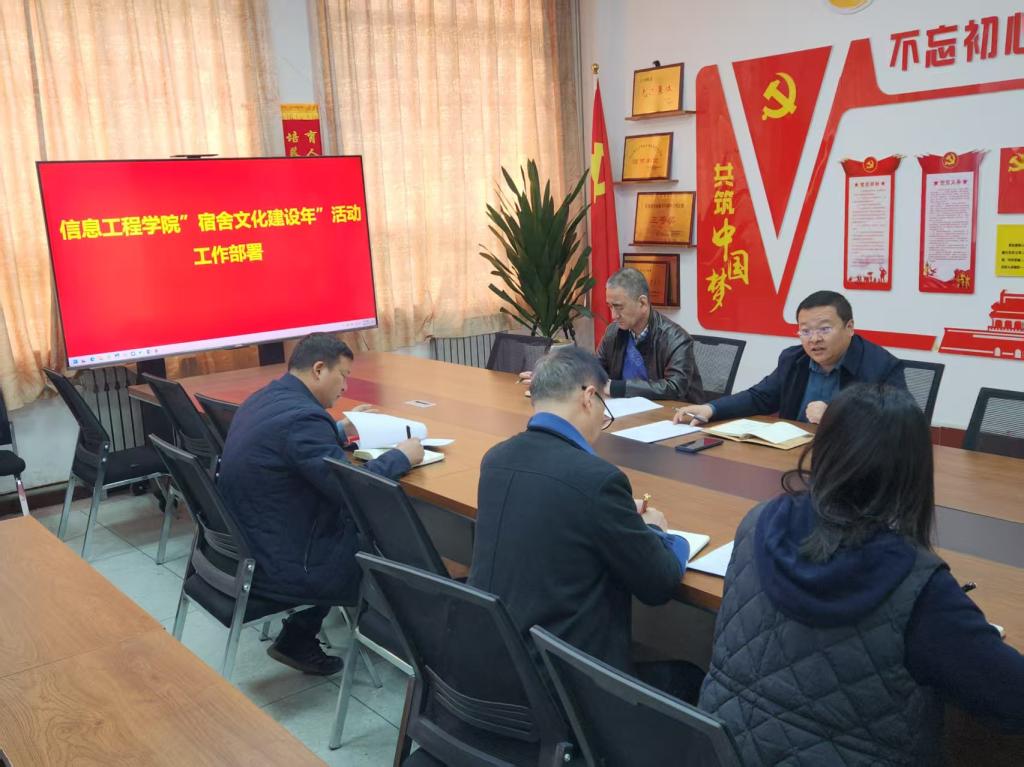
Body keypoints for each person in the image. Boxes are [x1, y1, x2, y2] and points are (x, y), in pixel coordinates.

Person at [699, 384, 1024, 765]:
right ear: (916, 471)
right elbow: (1012, 697)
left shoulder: (758, 521)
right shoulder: (916, 584)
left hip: (724, 752)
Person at [471, 345, 704, 702]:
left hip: (492, 665)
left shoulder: (496, 459)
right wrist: (657, 530)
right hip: (566, 689)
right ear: (588, 397)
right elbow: (659, 583)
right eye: (604, 407)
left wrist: (613, 512)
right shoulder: (597, 480)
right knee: (692, 677)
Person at [217, 333, 423, 675]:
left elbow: (291, 446)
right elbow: (351, 488)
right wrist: (401, 457)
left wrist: (338, 430)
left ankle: (301, 633)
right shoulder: (304, 419)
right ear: (318, 370)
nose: (345, 386)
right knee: (386, 530)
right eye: (343, 376)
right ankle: (411, 639)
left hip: (246, 542)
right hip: (284, 559)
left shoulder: (267, 397)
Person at [673, 290, 905, 426]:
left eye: (824, 329)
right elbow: (760, 397)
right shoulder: (794, 359)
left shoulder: (880, 365)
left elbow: (901, 421)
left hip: (850, 461)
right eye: (805, 331)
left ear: (850, 327)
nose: (814, 339)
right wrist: (711, 408)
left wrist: (836, 415)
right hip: (792, 454)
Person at [519, 267, 704, 402]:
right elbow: (594, 368)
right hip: (627, 412)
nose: (614, 315)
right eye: (610, 307)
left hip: (673, 419)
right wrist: (554, 377)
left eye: (619, 307)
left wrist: (615, 387)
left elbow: (675, 388)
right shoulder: (614, 331)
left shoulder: (676, 339)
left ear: (642, 303)